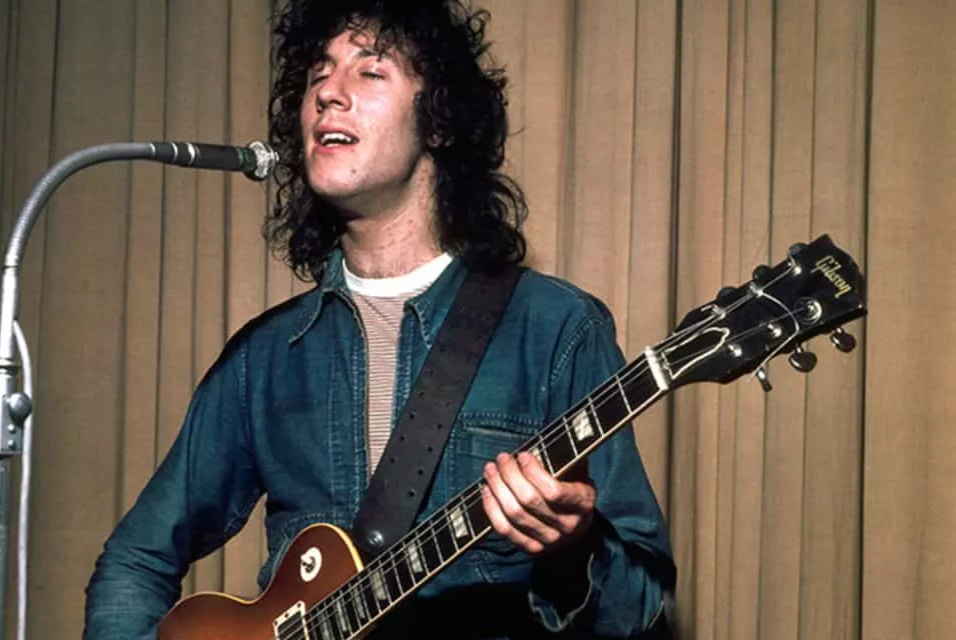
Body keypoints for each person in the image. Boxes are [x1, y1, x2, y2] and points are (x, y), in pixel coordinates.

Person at [84, 1, 675, 638]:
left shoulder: (555, 329)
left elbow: (642, 610)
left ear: (439, 120)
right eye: (318, 74)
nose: (328, 94)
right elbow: (135, 560)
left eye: (369, 72)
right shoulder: (267, 357)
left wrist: (572, 549)